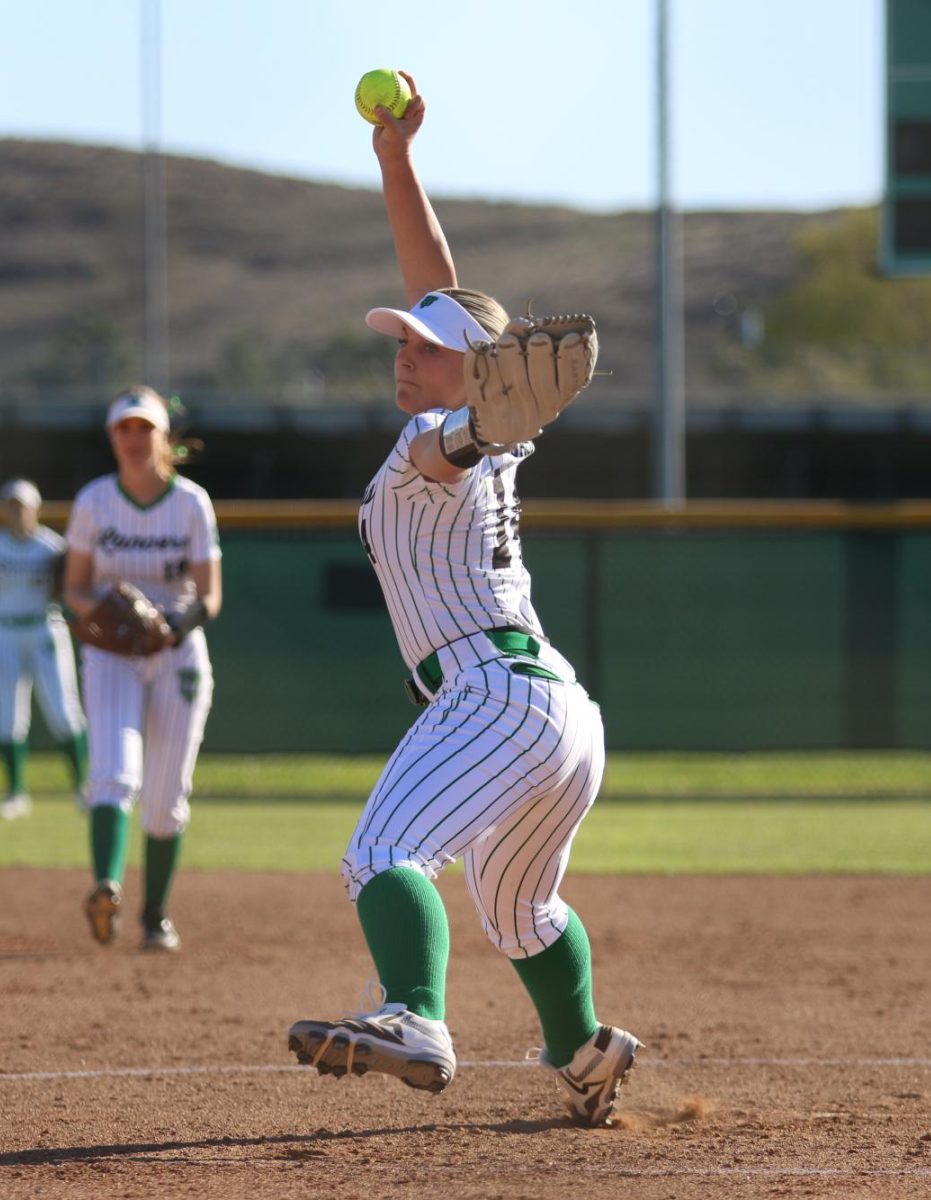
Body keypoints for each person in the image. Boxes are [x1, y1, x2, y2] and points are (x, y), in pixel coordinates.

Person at [287, 75, 642, 1127]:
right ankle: (585, 1052)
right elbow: (444, 295)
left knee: (382, 855)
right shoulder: (482, 429)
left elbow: (456, 440)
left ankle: (416, 1018)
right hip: (564, 715)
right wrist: (397, 162)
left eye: (425, 348)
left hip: (491, 696)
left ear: (476, 376)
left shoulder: (436, 443)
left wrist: (478, 423)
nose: (405, 354)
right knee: (520, 908)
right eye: (399, 339)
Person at [62, 386, 221, 952]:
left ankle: (155, 915)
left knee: (163, 796)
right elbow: (75, 588)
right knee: (112, 772)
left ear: (162, 436)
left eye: (144, 428)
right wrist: (113, 613)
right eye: (124, 429)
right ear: (112, 437)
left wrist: (169, 625)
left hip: (175, 653)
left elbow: (210, 595)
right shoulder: (94, 501)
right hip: (111, 652)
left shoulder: (190, 503)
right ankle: (106, 885)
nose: (133, 439)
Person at [0, 478, 88, 820]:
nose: (17, 512)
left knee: (63, 710)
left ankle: (84, 788)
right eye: (11, 506)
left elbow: (74, 590)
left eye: (23, 506)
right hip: (4, 631)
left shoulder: (51, 546)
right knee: (8, 715)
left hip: (45, 628)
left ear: (36, 509)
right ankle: (15, 793)